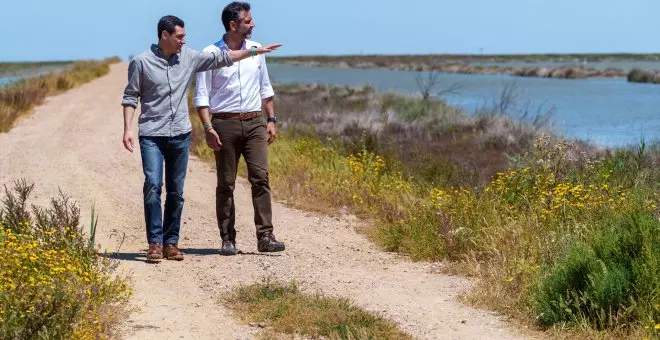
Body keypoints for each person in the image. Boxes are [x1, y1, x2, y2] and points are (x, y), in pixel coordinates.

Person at [121, 14, 281, 261]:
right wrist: (127, 129)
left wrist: (254, 53)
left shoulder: (190, 57)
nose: (184, 41)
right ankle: (155, 242)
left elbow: (223, 58)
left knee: (176, 191)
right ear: (165, 36)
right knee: (153, 185)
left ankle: (170, 243)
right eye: (180, 36)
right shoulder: (141, 62)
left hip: (180, 134)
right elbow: (131, 97)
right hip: (152, 133)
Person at [194, 2, 284, 255]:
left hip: (255, 122)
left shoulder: (257, 49)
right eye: (248, 21)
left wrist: (271, 120)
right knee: (226, 183)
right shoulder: (210, 53)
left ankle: (265, 236)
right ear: (233, 25)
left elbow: (265, 88)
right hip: (224, 123)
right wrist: (208, 127)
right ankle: (227, 238)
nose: (253, 24)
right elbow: (201, 96)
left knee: (260, 178)